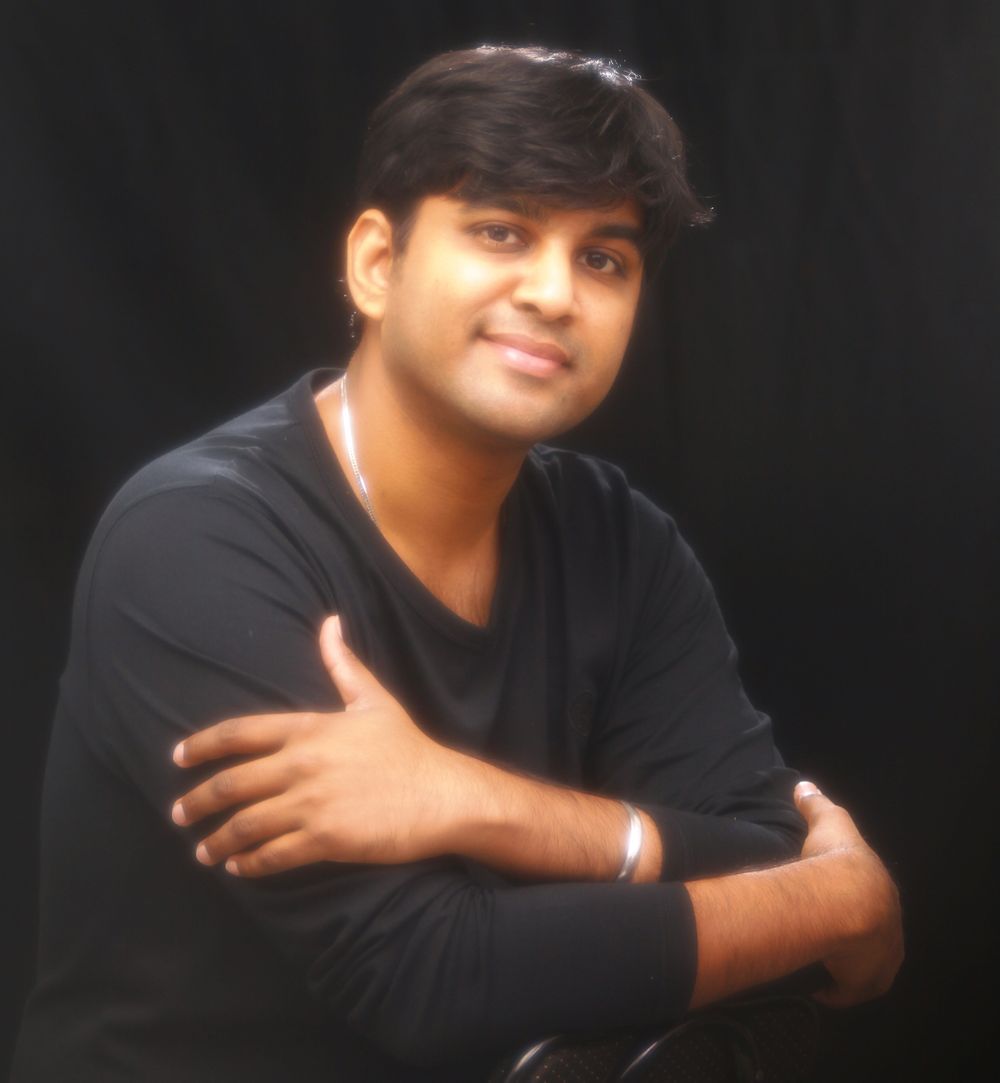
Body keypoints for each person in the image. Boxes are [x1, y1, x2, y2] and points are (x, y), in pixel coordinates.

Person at [12, 45, 902, 1082]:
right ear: (375, 264)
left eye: (602, 258)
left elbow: (770, 851)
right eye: (501, 231)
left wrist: (473, 799)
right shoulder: (195, 537)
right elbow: (431, 980)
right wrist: (838, 904)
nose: (555, 292)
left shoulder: (617, 539)